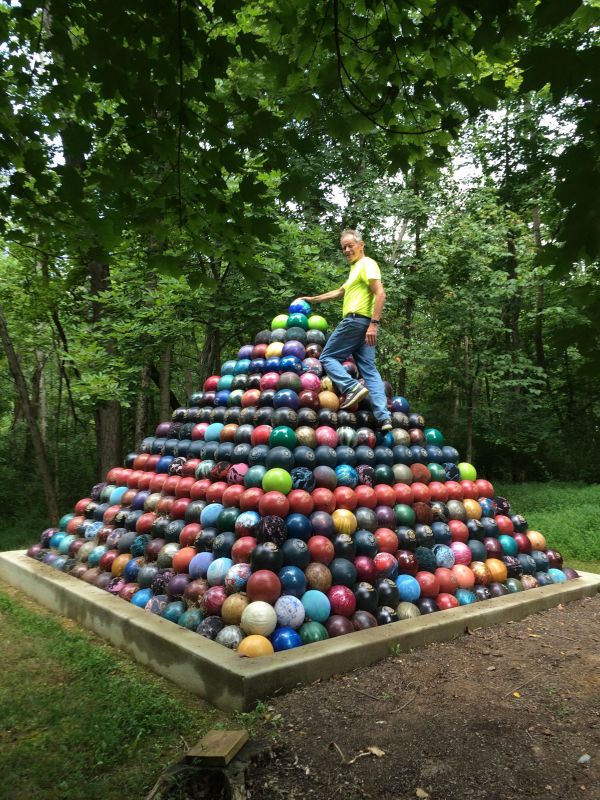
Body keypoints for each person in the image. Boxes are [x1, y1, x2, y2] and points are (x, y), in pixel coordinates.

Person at [294, 229, 392, 431]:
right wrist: (312, 299)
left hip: (357, 321)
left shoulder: (367, 264)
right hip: (363, 325)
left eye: (350, 245)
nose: (347, 250)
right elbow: (339, 292)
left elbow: (381, 294)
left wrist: (374, 324)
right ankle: (384, 418)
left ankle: (351, 387)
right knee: (370, 371)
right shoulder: (356, 269)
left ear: (361, 245)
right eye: (344, 247)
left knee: (327, 357)